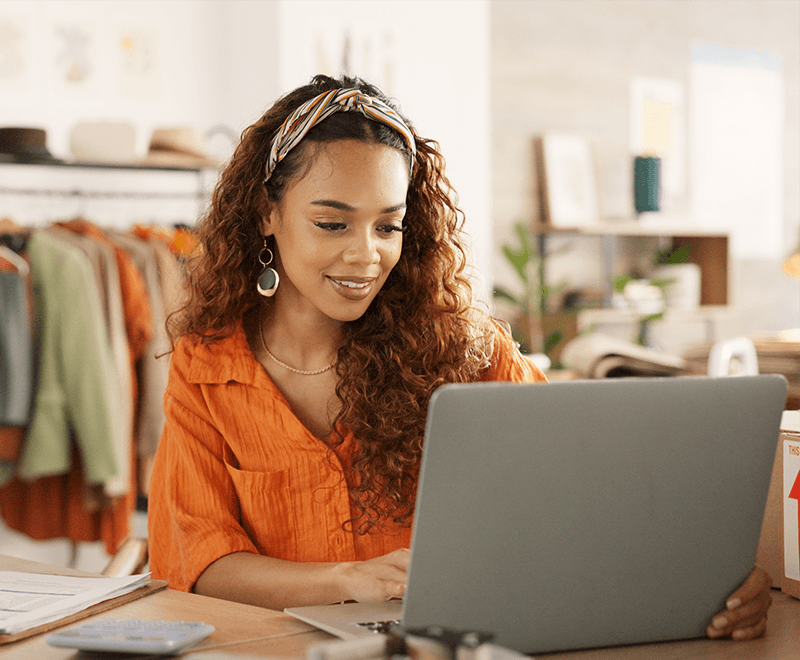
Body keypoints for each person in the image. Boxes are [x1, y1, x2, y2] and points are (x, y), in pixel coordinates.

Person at [147, 74, 771, 641]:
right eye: (332, 224)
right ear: (267, 213)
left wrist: (713, 578)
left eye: (387, 226)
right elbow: (199, 559)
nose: (366, 255)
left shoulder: (467, 352)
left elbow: (589, 497)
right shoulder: (207, 367)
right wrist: (343, 580)